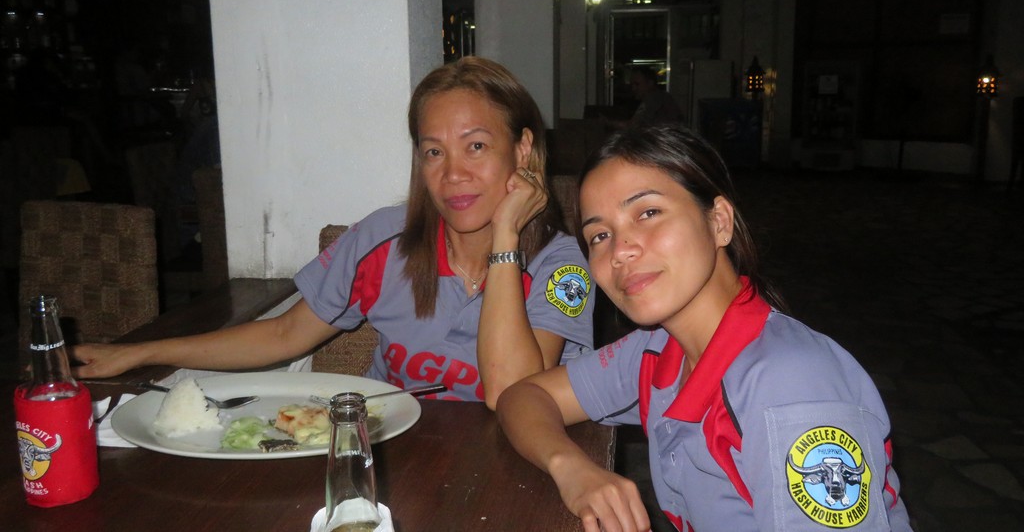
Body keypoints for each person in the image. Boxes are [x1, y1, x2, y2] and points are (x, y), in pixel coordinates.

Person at [72, 57, 595, 408]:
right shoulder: (383, 239)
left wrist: (505, 241)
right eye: (434, 151)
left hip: (505, 468)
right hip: (385, 455)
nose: (452, 173)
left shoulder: (563, 267)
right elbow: (284, 334)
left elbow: (510, 394)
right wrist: (144, 352)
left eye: (476, 146)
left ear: (522, 149)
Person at [496, 124, 911, 531]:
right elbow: (523, 397)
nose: (620, 251)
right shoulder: (658, 349)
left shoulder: (789, 385)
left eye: (648, 213)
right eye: (600, 235)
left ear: (719, 222)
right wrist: (572, 469)